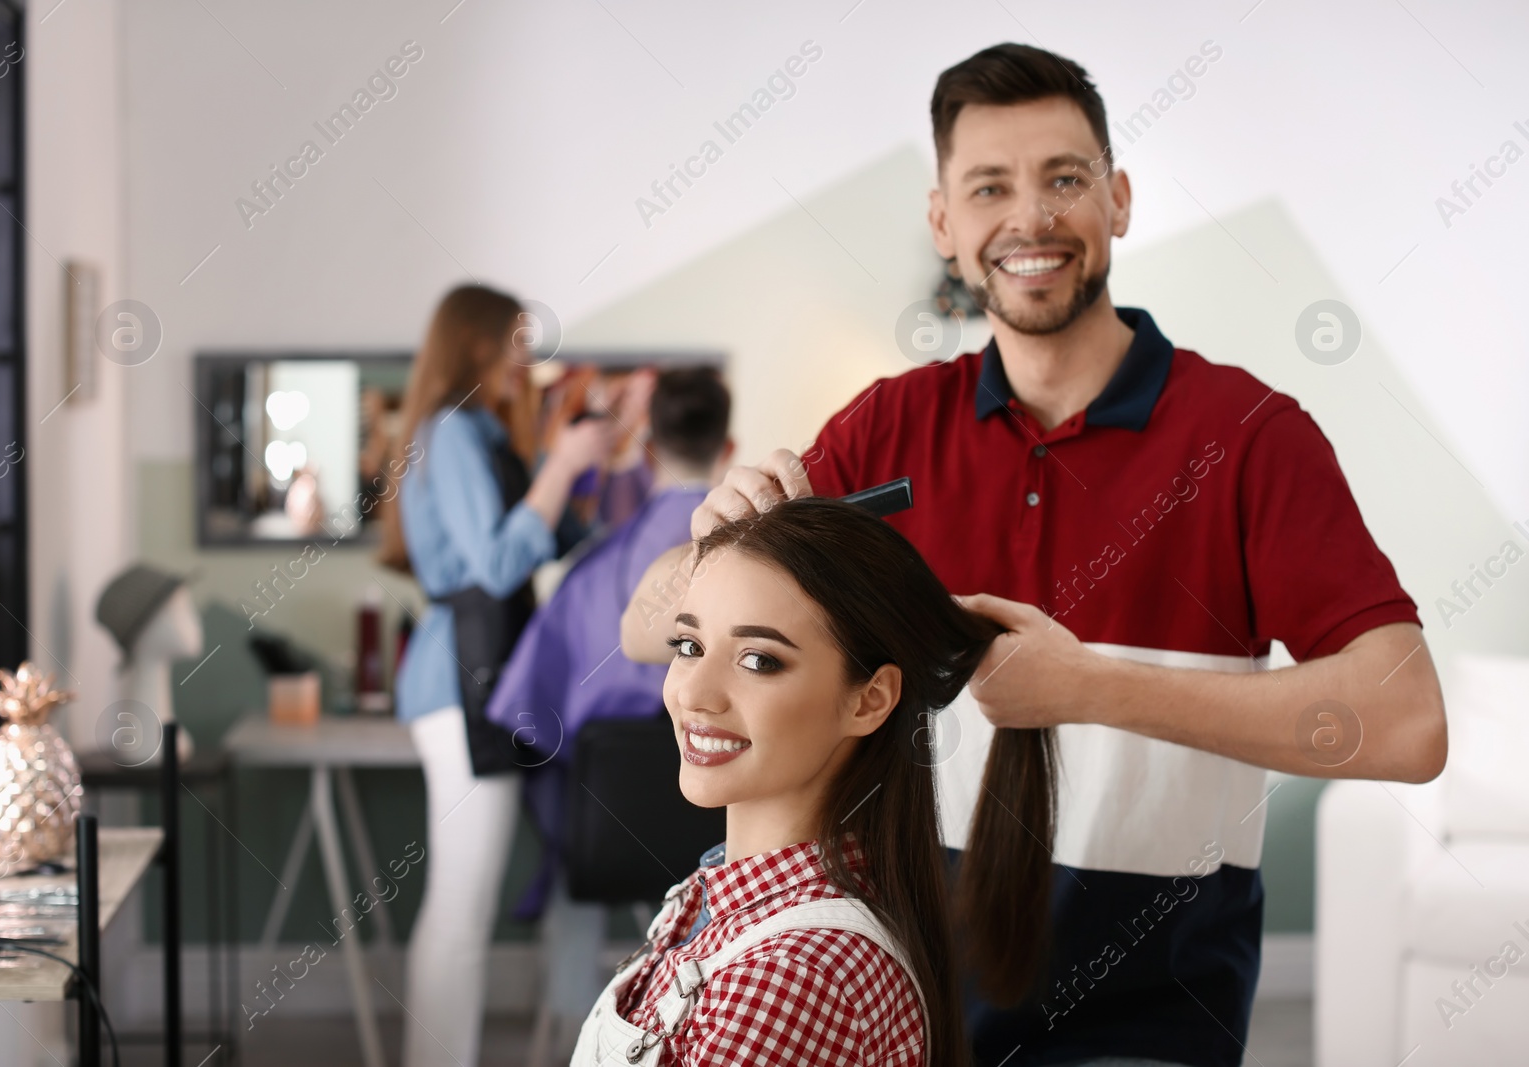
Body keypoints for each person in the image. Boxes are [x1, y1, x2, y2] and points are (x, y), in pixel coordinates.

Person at [620, 43, 1447, 1067]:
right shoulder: (887, 426)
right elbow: (644, 621)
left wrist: (1092, 685)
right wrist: (704, 544)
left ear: (1119, 200)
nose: (1032, 217)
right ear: (944, 224)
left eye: (1065, 178)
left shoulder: (1248, 436)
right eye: (988, 186)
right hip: (893, 997)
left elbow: (1407, 724)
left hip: (1145, 1020)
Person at [575, 496, 1054, 1067]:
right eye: (689, 646)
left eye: (758, 661)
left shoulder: (792, 977)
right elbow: (634, 627)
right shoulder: (723, 902)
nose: (693, 694)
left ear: (869, 700)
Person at [383, 283, 628, 1067]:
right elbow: (494, 562)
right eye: (518, 343)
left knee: (471, 900)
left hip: (492, 677)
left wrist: (592, 456)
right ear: (480, 344)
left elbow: (559, 536)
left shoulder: (488, 435)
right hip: (462, 678)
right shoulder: (447, 433)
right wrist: (559, 464)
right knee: (461, 903)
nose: (529, 361)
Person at [482, 367, 735, 1059]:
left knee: (575, 843)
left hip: (604, 834)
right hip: (715, 842)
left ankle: (571, 1037)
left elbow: (531, 715)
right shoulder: (757, 563)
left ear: (647, 451)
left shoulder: (598, 569)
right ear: (730, 446)